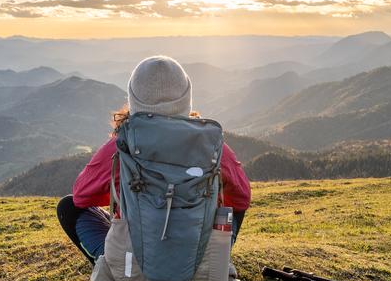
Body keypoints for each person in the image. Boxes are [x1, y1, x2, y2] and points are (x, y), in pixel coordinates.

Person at [56, 55, 251, 265]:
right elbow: (242, 199)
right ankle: (213, 267)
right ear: (186, 98)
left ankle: (116, 277)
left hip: (133, 271)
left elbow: (81, 196)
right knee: (232, 211)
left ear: (133, 99)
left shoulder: (121, 147)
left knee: (68, 207)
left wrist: (133, 197)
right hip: (201, 272)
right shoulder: (213, 147)